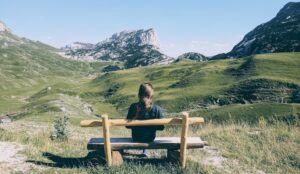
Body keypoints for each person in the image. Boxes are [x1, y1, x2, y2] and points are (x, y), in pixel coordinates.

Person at [126, 83, 164, 157]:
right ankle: (145, 151)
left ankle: (145, 151)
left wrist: (136, 117)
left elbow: (127, 126)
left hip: (136, 137)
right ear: (151, 96)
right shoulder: (156, 109)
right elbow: (161, 128)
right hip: (150, 138)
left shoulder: (133, 107)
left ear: (139, 94)